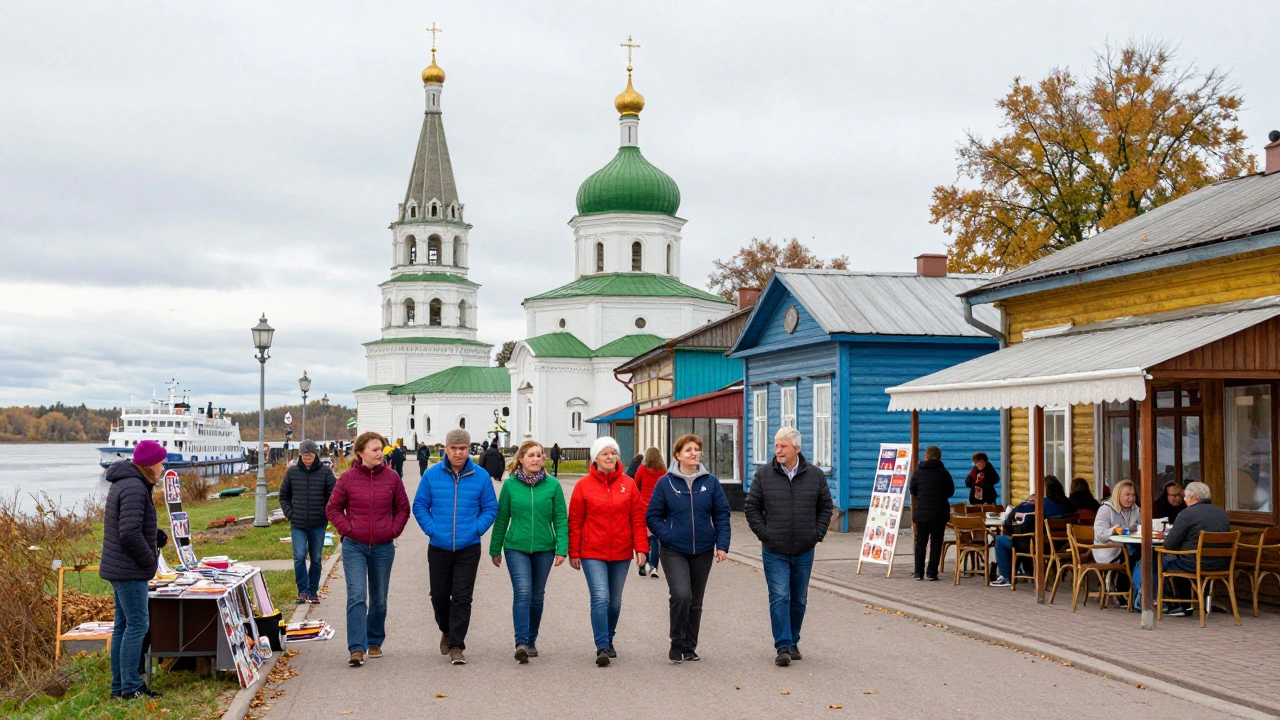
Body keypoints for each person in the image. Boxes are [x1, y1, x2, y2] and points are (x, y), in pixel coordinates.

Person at [744, 427, 834, 667]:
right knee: (780, 595)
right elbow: (751, 508)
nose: (779, 450)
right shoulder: (764, 474)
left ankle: (793, 640)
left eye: (783, 446)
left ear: (797, 448)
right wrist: (766, 534)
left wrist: (817, 534)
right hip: (775, 549)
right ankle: (783, 645)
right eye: (776, 446)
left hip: (804, 547)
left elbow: (826, 507)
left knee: (799, 599)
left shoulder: (815, 475)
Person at [413, 428, 499, 666]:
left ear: (468, 450)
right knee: (439, 596)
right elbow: (420, 505)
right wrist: (432, 529)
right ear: (446, 449)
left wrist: (476, 529)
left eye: (463, 449)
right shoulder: (432, 475)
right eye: (454, 449)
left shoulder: (480, 476)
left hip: (468, 546)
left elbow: (490, 508)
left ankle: (457, 645)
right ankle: (446, 629)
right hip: (439, 545)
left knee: (462, 597)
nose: (459, 453)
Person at [326, 432, 411, 667]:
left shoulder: (392, 478)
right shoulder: (347, 479)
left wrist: (392, 530)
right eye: (374, 450)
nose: (379, 454)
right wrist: (347, 529)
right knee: (356, 596)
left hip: (383, 547)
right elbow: (333, 509)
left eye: (380, 450)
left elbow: (403, 509)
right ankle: (356, 647)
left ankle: (374, 639)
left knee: (379, 599)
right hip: (355, 546)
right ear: (361, 452)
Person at [646, 434, 731, 664]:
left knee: (696, 600)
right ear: (677, 455)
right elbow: (653, 516)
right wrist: (668, 535)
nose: (694, 453)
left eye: (697, 449)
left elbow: (722, 514)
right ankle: (677, 641)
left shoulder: (710, 482)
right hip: (674, 549)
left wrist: (722, 544)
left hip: (703, 549)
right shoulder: (666, 483)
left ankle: (690, 646)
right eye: (688, 450)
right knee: (681, 594)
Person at [568, 436, 648, 667]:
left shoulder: (628, 484)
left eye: (613, 453)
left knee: (614, 602)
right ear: (595, 458)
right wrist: (574, 551)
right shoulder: (584, 486)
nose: (610, 457)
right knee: (600, 598)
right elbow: (575, 521)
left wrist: (641, 547)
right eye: (605, 453)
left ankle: (609, 638)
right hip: (592, 551)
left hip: (621, 551)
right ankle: (602, 645)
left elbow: (637, 518)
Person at [489, 441, 568, 663]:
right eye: (530, 455)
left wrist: (562, 548)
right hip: (516, 547)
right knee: (523, 592)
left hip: (545, 547)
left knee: (537, 595)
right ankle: (521, 642)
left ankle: (532, 639)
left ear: (544, 459)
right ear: (521, 459)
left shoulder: (552, 486)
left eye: (539, 455)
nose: (535, 459)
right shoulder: (510, 486)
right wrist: (495, 548)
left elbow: (560, 518)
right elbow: (502, 517)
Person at [101, 439, 169, 700]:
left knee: (123, 626)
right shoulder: (134, 488)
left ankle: (119, 687)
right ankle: (130, 687)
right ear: (150, 464)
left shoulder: (128, 483)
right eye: (161, 461)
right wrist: (149, 561)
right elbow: (128, 533)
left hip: (119, 566)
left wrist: (154, 535)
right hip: (128, 568)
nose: (163, 466)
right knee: (138, 624)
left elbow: (132, 524)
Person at [1132, 481, 1229, 616]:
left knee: (1160, 559)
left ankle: (1177, 604)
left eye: (1184, 497)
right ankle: (1188, 603)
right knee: (1180, 559)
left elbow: (1170, 544)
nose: (1183, 500)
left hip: (1194, 564)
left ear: (1191, 497)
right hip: (1222, 564)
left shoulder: (1187, 514)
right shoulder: (1221, 513)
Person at [279, 439, 337, 605]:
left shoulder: (326, 473)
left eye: (310, 453)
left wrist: (326, 513)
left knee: (316, 558)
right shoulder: (292, 473)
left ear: (315, 454)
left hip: (318, 523)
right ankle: (302, 591)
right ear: (300, 455)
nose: (307, 457)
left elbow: (334, 496)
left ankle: (313, 591)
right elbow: (283, 496)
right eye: (304, 454)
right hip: (298, 523)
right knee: (299, 556)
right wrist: (290, 513)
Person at [991, 476, 1072, 587]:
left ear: (1044, 488)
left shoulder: (1040, 504)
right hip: (1062, 545)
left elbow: (1015, 521)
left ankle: (1005, 576)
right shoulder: (1068, 503)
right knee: (1018, 539)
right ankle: (1023, 572)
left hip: (1036, 544)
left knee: (1001, 540)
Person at [908, 446, 955, 581]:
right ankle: (932, 572)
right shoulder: (944, 473)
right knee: (936, 542)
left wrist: (922, 497)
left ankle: (918, 572)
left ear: (926, 456)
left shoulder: (918, 471)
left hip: (922, 512)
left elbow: (913, 490)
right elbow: (950, 491)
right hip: (939, 513)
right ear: (939, 457)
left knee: (921, 542)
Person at [633, 447, 667, 578]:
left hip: (643, 507)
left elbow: (636, 486)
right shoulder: (663, 472)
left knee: (644, 537)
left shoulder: (642, 469)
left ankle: (643, 566)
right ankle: (653, 567)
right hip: (658, 508)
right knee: (655, 539)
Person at [1092, 479, 1140, 566]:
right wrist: (1125, 530)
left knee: (1149, 553)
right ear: (1118, 495)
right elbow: (1101, 535)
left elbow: (1141, 529)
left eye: (1133, 495)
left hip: (1131, 548)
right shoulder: (1105, 509)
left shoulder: (1137, 510)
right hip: (1108, 550)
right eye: (1127, 495)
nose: (1131, 498)